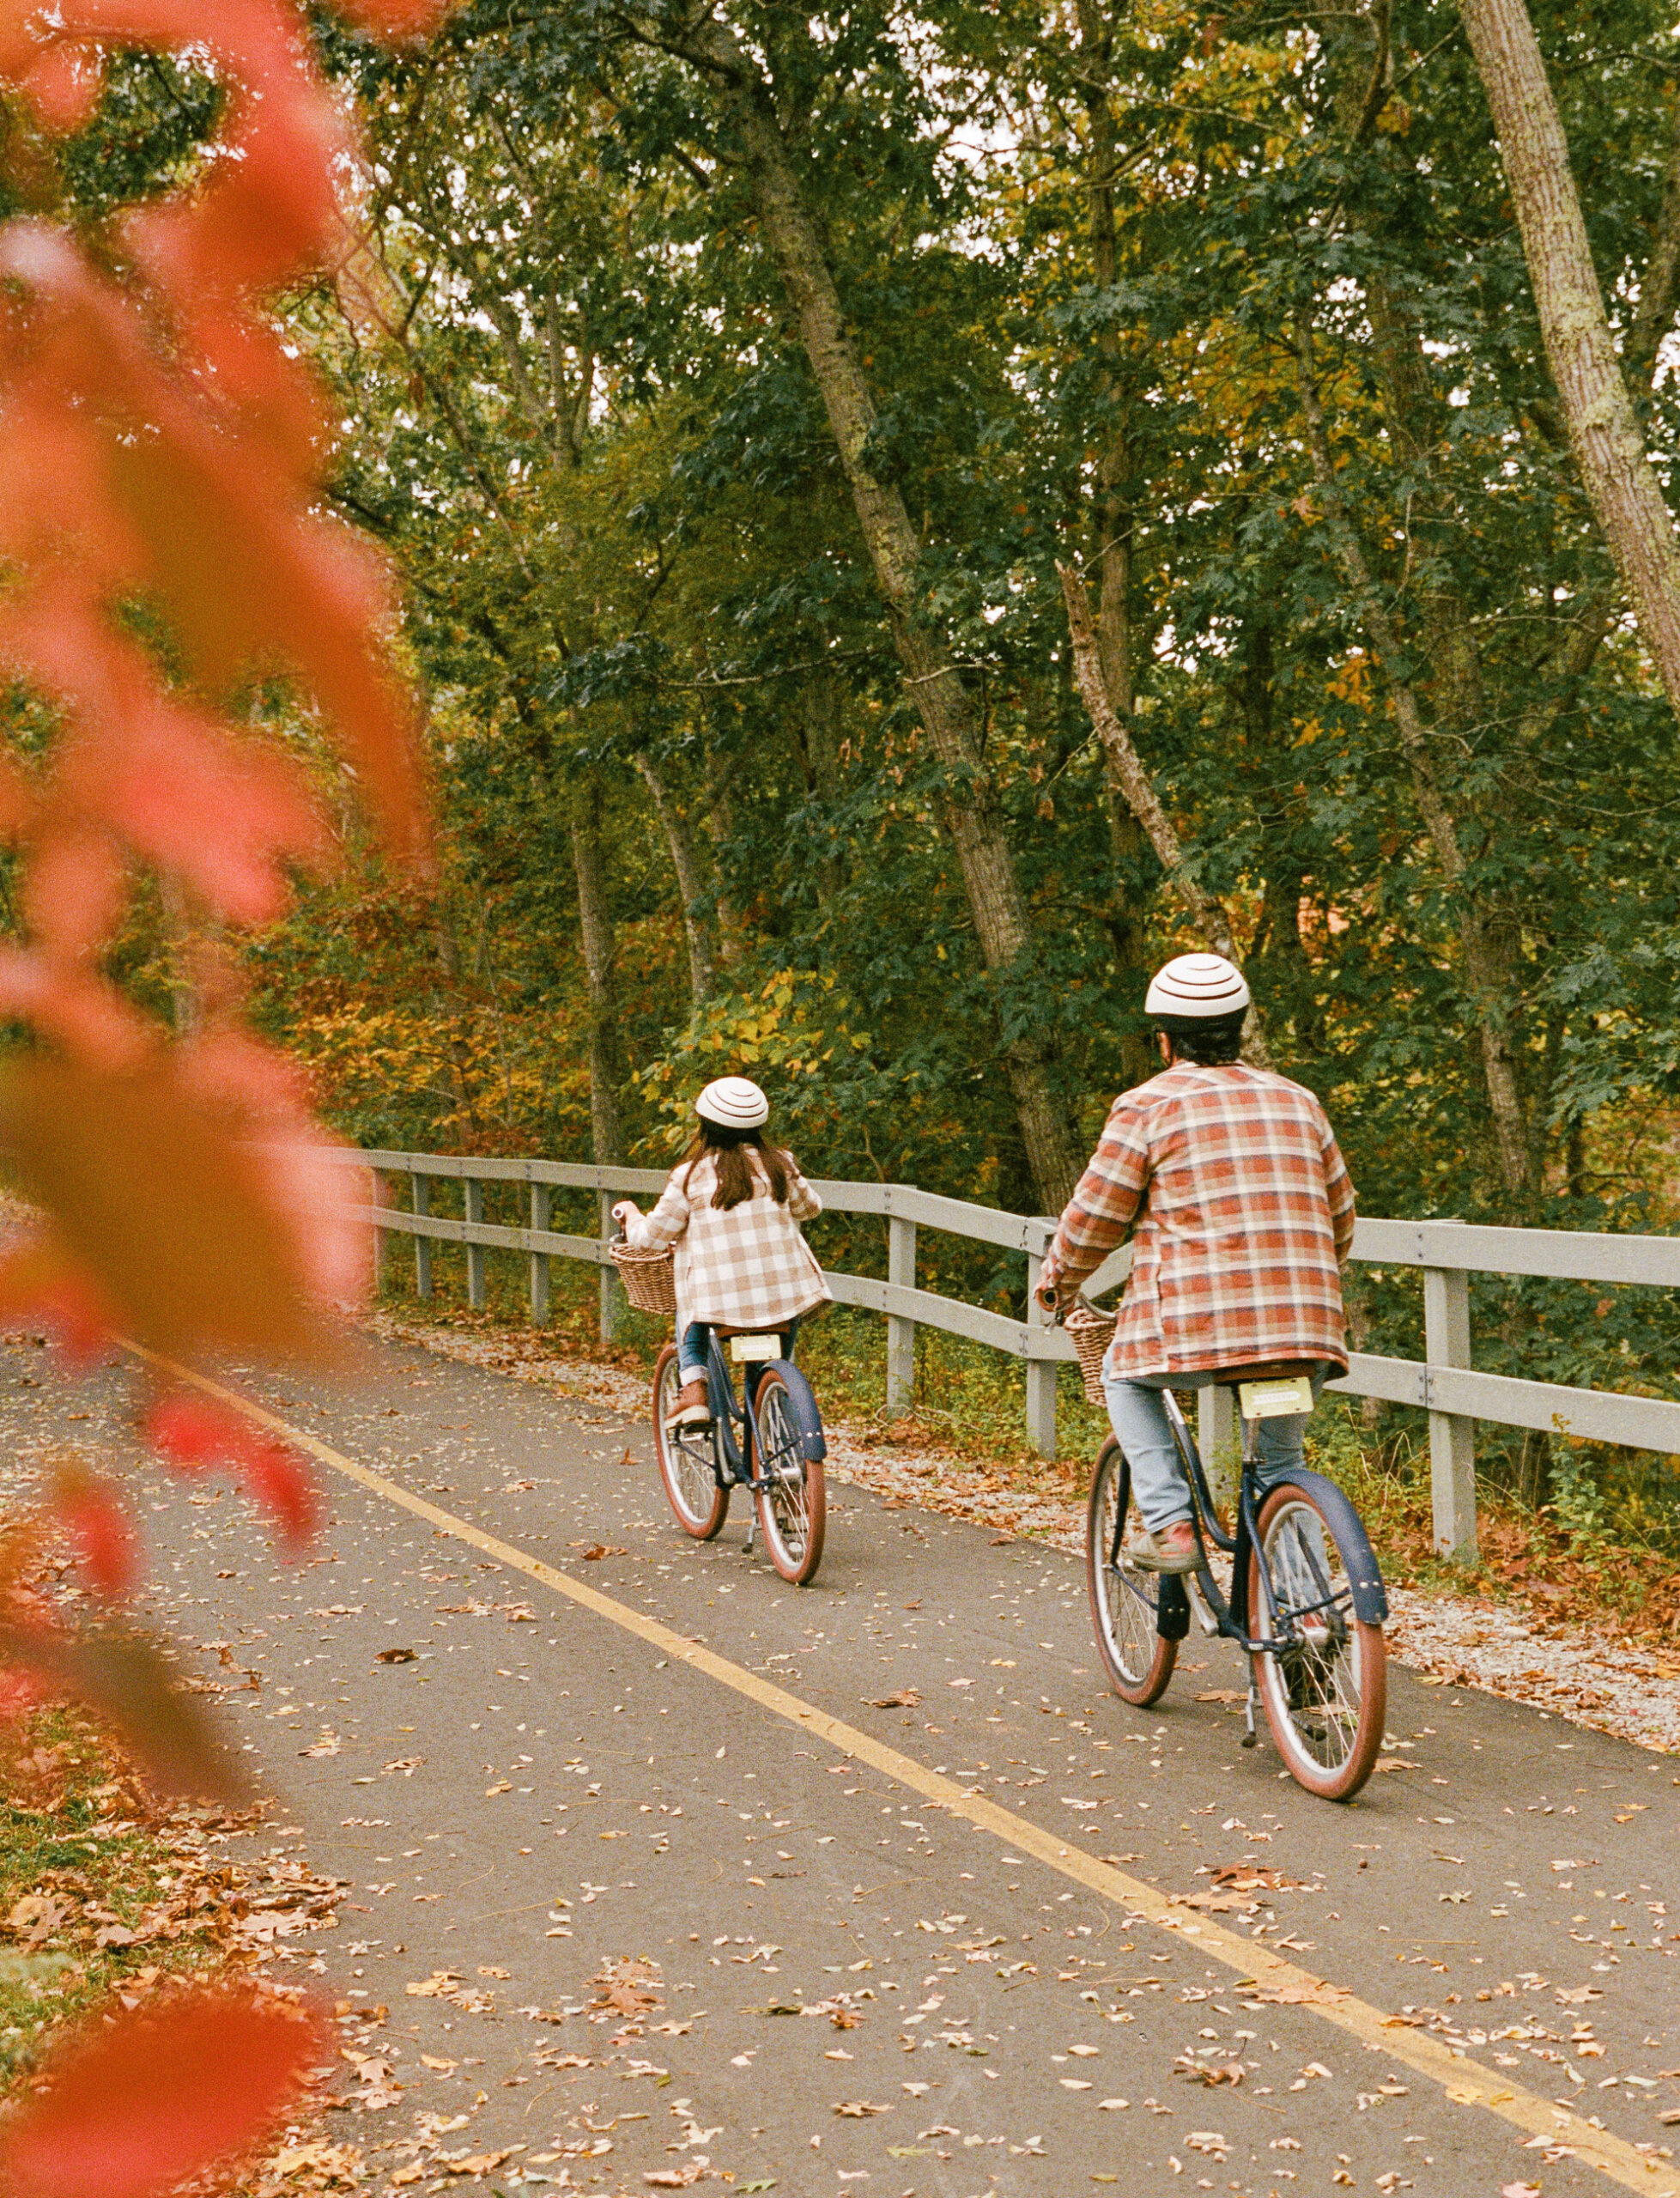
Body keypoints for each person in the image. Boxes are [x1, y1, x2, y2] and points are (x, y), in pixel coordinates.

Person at [1038, 952, 1356, 1573]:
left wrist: (1057, 1283)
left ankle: (1171, 1527)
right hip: (1304, 1327)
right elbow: (1340, 1217)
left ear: (1164, 1041)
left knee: (1122, 1379)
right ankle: (1310, 1620)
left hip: (1194, 1331)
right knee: (1280, 1469)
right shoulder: (1299, 1101)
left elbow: (1095, 1217)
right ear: (1238, 1028)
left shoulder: (1147, 1105)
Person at [613, 1076, 831, 1427]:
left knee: (691, 1314)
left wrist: (632, 1219)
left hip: (718, 1303)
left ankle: (694, 1391)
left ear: (705, 1127)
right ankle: (777, 1422)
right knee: (766, 1370)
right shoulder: (781, 1164)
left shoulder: (691, 1176)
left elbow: (653, 1238)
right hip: (785, 1296)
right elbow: (810, 1209)